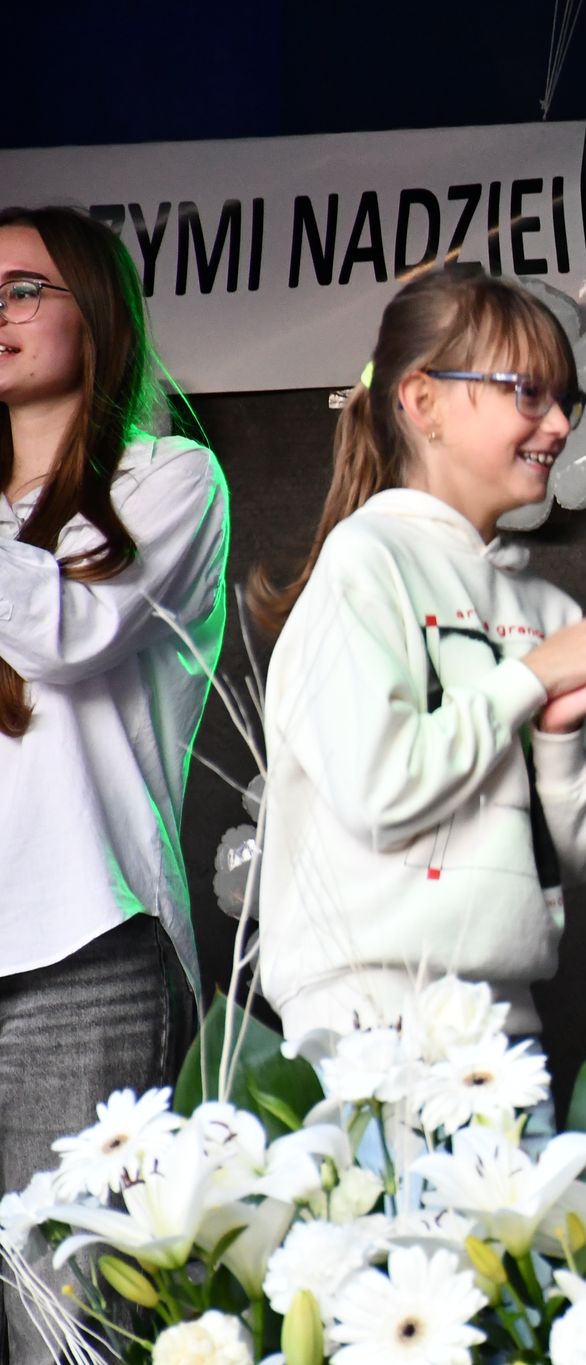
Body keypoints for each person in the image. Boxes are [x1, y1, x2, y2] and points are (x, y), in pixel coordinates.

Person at [253, 266, 586, 1046]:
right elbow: (379, 789)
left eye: (565, 400)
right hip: (366, 1019)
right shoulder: (366, 560)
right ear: (423, 402)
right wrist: (530, 678)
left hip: (507, 1020)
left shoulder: (548, 611)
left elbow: (583, 852)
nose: (559, 424)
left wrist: (557, 732)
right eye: (528, 393)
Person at [0, 205, 230, 1363]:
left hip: (84, 955)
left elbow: (66, 633)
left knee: (63, 1327)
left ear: (96, 312)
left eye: (20, 290)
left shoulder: (166, 478)